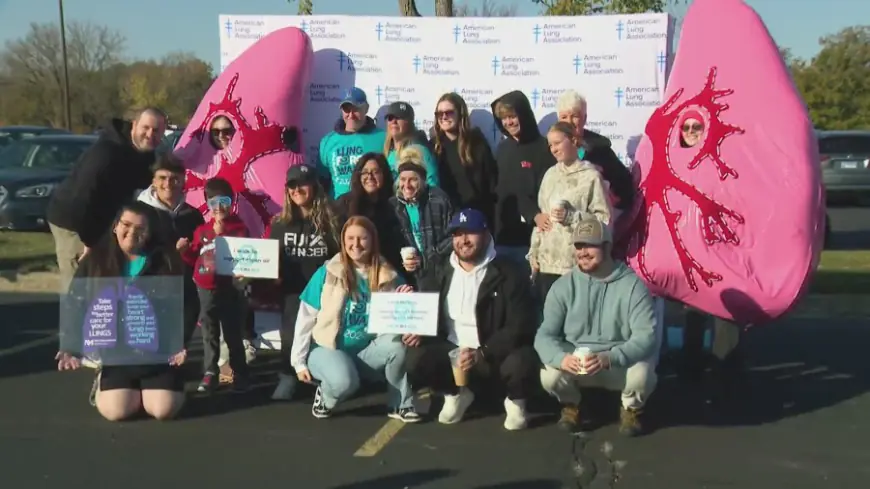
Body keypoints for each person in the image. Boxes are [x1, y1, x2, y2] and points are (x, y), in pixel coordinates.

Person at [405, 209, 539, 430]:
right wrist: (418, 328)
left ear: (486, 235)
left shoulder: (510, 272)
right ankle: (457, 393)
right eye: (457, 234)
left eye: (471, 233)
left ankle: (515, 402)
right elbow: (426, 309)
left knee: (522, 361)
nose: (463, 240)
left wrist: (482, 353)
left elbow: (520, 325)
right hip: (454, 351)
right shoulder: (439, 269)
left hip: (491, 352)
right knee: (415, 358)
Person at [55, 201, 187, 421]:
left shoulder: (165, 260)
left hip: (157, 352)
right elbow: (75, 302)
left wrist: (180, 343)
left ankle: (164, 387)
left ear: (150, 233)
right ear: (115, 226)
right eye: (126, 224)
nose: (131, 232)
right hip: (114, 352)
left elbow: (186, 303)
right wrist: (70, 345)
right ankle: (108, 382)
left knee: (163, 410)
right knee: (117, 412)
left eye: (140, 228)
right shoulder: (95, 260)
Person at [535, 218, 659, 436]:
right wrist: (561, 359)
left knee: (643, 371)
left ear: (608, 247)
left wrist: (609, 357)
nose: (582, 252)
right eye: (578, 246)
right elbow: (544, 336)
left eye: (590, 245)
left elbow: (646, 337)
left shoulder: (633, 286)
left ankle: (631, 409)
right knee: (549, 373)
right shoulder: (563, 286)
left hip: (616, 362)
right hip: (578, 363)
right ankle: (571, 404)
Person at [290, 216, 420, 422]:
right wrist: (298, 362)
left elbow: (402, 320)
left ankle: (400, 404)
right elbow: (305, 317)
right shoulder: (327, 272)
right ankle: (326, 396)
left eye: (362, 238)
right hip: (327, 349)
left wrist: (409, 311)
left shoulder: (388, 275)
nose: (356, 244)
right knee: (344, 383)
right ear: (343, 241)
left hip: (365, 352)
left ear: (372, 241)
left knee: (397, 343)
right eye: (350, 238)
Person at [47, 107, 167, 294]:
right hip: (74, 222)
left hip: (104, 221)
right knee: (81, 283)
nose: (150, 134)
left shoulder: (144, 154)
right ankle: (75, 321)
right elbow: (82, 198)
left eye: (157, 130)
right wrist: (88, 243)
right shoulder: (106, 153)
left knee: (104, 281)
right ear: (134, 125)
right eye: (146, 127)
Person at [264, 164, 341, 400]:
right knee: (290, 334)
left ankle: (327, 377)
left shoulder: (333, 220)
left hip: (325, 292)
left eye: (303, 184)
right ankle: (288, 376)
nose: (297, 190)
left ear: (315, 186)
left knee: (327, 336)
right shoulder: (280, 223)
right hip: (292, 291)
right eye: (292, 185)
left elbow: (341, 256)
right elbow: (270, 258)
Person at [177, 177, 251, 393]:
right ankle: (210, 372)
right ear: (207, 205)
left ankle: (240, 372)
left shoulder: (239, 228)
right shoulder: (201, 230)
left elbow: (245, 257)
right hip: (205, 287)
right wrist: (183, 251)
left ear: (232, 201)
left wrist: (222, 234)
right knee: (209, 332)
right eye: (213, 203)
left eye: (224, 201)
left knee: (232, 332)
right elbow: (194, 258)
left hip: (230, 288)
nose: (219, 207)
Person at [528, 122, 613, 299]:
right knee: (550, 322)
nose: (553, 149)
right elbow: (542, 219)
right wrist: (534, 252)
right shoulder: (550, 175)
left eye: (557, 143)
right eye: (550, 145)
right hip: (547, 265)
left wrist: (572, 217)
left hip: (576, 265)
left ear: (573, 140)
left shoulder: (591, 176)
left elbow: (604, 220)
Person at [137, 153, 205, 350]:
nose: (169, 183)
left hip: (184, 287)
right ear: (153, 181)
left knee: (180, 337)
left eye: (175, 179)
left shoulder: (192, 214)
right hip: (147, 285)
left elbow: (201, 252)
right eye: (162, 178)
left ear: (183, 181)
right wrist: (171, 251)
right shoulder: (140, 212)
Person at [489, 91, 556, 268]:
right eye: (504, 118)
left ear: (524, 115)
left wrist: (534, 214)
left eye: (512, 116)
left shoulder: (544, 148)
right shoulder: (502, 149)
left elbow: (549, 191)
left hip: (533, 239)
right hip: (502, 239)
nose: (508, 122)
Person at [556, 90, 634, 222]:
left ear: (584, 119)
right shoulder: (551, 149)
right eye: (564, 117)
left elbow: (624, 185)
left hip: (593, 222)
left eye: (575, 116)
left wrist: (614, 196)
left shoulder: (600, 149)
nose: (569, 122)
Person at [388, 146, 454, 285]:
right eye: (403, 179)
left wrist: (425, 259)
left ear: (423, 180)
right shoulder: (393, 206)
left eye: (413, 179)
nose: (407, 185)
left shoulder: (438, 199)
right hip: (406, 277)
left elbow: (452, 237)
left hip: (438, 273)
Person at [430, 92, 498, 224]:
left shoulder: (476, 143)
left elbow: (491, 183)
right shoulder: (433, 146)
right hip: (445, 219)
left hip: (476, 217)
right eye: (439, 113)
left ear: (460, 114)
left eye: (449, 112)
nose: (444, 117)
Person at [335, 152, 403, 272]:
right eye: (365, 172)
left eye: (376, 172)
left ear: (384, 175)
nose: (370, 176)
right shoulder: (344, 203)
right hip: (353, 269)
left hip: (387, 269)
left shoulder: (394, 205)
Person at [317, 88, 387, 199]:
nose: (351, 115)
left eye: (356, 109)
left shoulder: (383, 138)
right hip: (339, 209)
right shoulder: (327, 141)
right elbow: (321, 181)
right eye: (347, 109)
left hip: (371, 207)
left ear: (366, 108)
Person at [383, 101, 440, 188]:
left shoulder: (420, 152)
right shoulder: (387, 153)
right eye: (390, 118)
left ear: (410, 123)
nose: (394, 121)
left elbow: (433, 185)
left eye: (399, 117)